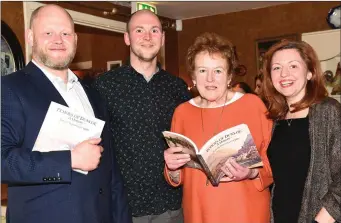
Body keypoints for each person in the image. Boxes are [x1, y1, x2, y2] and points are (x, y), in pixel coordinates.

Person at [1, 4, 131, 223]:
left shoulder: (94, 94)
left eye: (65, 33)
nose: (58, 40)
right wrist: (70, 159)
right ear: (31, 37)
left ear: (76, 40)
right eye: (48, 33)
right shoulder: (9, 88)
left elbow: (111, 173)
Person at [163, 32, 273, 223]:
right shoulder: (182, 112)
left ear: (230, 76)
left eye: (218, 71)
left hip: (246, 212)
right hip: (198, 212)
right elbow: (178, 174)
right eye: (203, 71)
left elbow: (276, 159)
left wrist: (252, 172)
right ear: (193, 77)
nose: (210, 79)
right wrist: (171, 167)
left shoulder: (252, 105)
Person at [94, 9, 192, 223]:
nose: (147, 37)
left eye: (154, 30)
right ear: (127, 38)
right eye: (139, 30)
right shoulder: (104, 86)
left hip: (171, 206)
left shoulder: (178, 88)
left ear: (163, 38)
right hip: (122, 208)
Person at [260, 40, 341, 223]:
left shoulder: (328, 111)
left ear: (310, 72)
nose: (284, 74)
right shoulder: (274, 119)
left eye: (293, 66)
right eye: (277, 68)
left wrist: (321, 220)